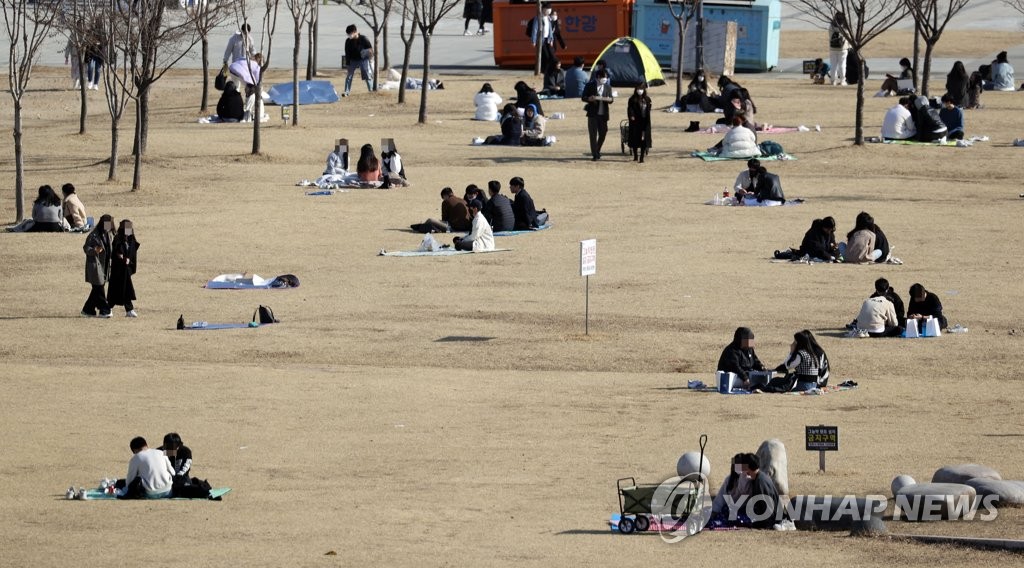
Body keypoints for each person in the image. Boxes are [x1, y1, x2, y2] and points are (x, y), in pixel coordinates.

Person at [81, 214, 114, 317]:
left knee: (96, 289)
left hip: (104, 266)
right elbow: (86, 248)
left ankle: (88, 309)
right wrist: (94, 250)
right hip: (95, 266)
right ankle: (105, 310)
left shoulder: (108, 234)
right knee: (99, 288)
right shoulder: (93, 235)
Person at [738, 453, 781, 528]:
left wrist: (759, 524)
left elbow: (768, 510)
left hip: (769, 520)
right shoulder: (759, 477)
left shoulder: (760, 482)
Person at [106, 219, 139, 318]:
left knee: (126, 289)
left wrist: (129, 261)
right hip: (118, 269)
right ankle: (108, 309)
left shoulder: (131, 239)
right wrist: (123, 259)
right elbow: (116, 252)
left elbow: (133, 252)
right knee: (115, 290)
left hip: (126, 269)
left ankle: (129, 310)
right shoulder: (118, 238)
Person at [582, 69, 613, 161]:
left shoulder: (608, 87)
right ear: (598, 77)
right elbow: (583, 97)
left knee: (603, 133)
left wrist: (609, 99)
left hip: (603, 114)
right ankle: (595, 154)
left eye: (606, 77)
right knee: (593, 134)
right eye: (604, 77)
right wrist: (589, 99)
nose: (605, 79)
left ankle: (597, 149)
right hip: (593, 114)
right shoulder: (590, 85)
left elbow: (611, 99)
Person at [343, 24, 373, 96]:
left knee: (367, 75)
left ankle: (371, 90)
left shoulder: (364, 39)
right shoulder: (348, 41)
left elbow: (370, 49)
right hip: (352, 60)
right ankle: (346, 92)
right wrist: (347, 63)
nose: (349, 35)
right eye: (348, 34)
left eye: (350, 33)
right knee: (349, 76)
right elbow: (347, 52)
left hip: (363, 60)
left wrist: (370, 58)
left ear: (355, 32)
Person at [627, 82, 652, 163]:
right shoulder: (632, 99)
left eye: (641, 89)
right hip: (635, 122)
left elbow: (649, 108)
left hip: (645, 122)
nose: (639, 90)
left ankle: (641, 157)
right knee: (635, 139)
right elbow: (630, 109)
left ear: (644, 89)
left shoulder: (647, 99)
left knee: (644, 140)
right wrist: (631, 116)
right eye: (638, 89)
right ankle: (635, 156)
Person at [530, 4, 556, 73]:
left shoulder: (549, 18)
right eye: (547, 10)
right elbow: (535, 29)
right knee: (545, 56)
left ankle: (550, 69)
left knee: (552, 55)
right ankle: (544, 70)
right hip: (541, 39)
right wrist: (534, 40)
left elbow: (550, 29)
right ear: (543, 9)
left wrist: (551, 39)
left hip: (548, 39)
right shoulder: (538, 18)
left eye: (549, 10)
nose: (548, 12)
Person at [828, 12, 849, 86]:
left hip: (833, 48)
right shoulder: (845, 27)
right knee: (842, 65)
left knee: (833, 65)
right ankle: (842, 81)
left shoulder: (831, 26)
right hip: (843, 48)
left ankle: (833, 80)